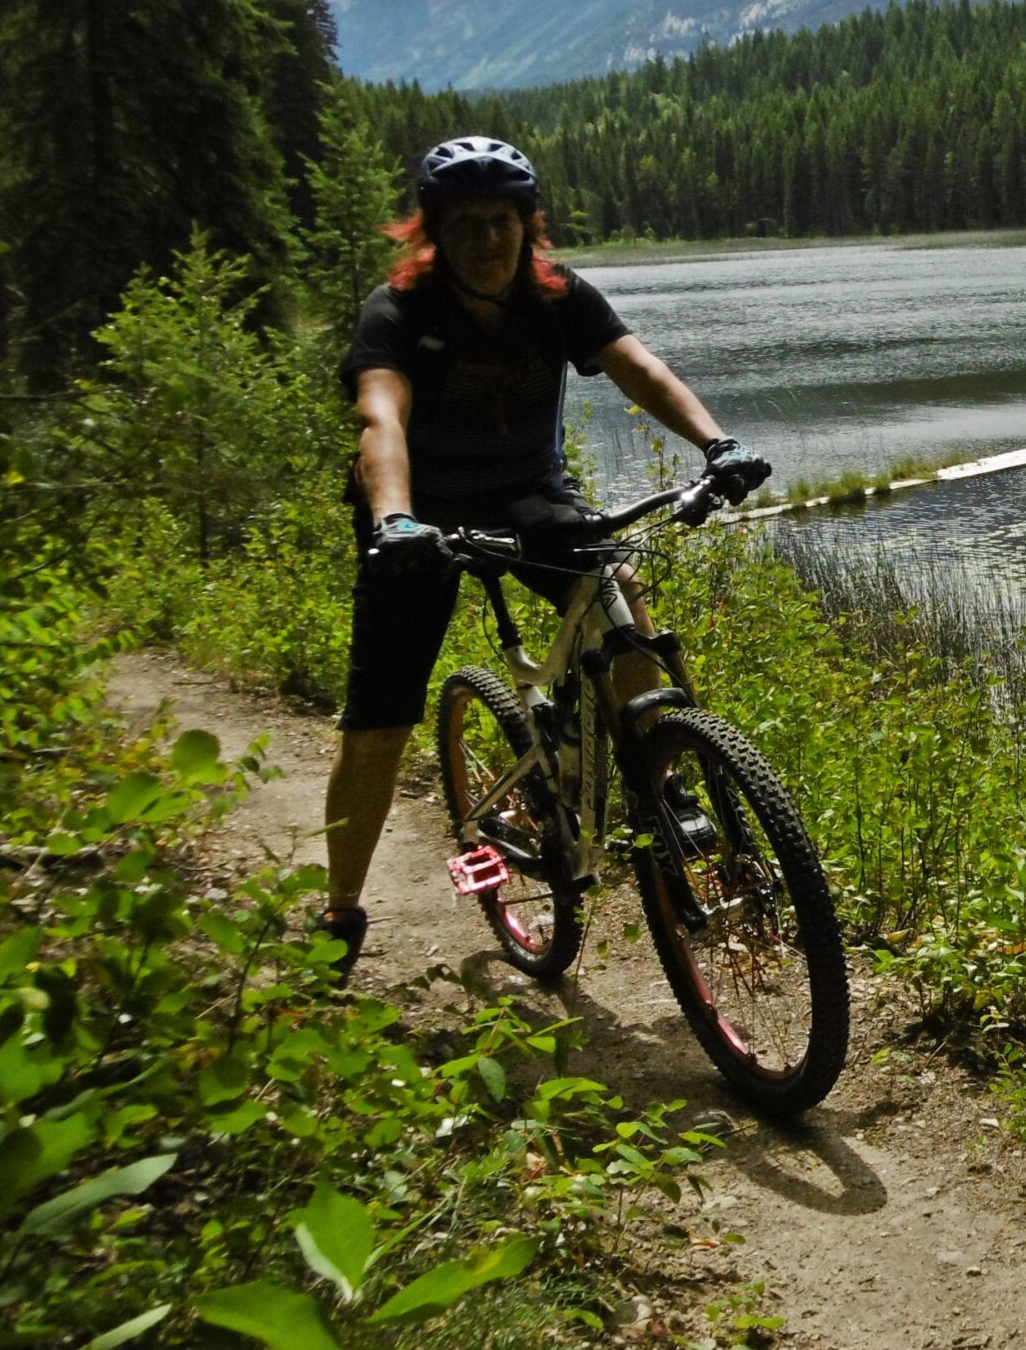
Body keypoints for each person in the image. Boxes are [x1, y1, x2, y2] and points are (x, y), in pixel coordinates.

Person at [315, 136, 761, 978]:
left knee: (618, 594)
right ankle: (340, 909)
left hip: (528, 497)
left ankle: (664, 786)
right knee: (379, 719)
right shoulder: (399, 312)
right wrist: (396, 521)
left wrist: (717, 442)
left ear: (529, 227)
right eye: (466, 224)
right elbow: (383, 421)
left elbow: (639, 366)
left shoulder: (557, 298)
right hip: (416, 517)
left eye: (503, 221)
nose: (488, 239)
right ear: (433, 234)